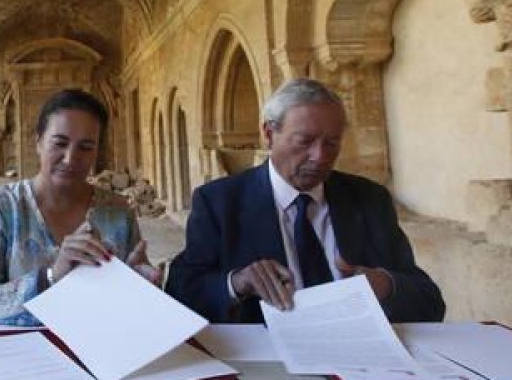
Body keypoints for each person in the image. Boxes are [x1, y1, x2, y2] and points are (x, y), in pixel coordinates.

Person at [165, 78, 444, 324]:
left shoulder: (369, 200)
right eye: (304, 141)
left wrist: (384, 285)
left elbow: (429, 301)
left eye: (332, 144)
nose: (319, 156)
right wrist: (237, 283)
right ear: (269, 134)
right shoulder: (219, 202)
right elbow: (181, 293)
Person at [0, 88, 162, 325]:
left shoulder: (117, 211)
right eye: (60, 143)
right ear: (39, 143)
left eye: (85, 147)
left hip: (100, 351)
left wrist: (141, 286)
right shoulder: (1, 208)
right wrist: (51, 276)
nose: (70, 158)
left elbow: (130, 309)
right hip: (20, 353)